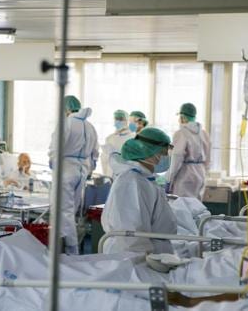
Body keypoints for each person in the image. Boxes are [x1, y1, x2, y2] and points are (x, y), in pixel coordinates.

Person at [101, 127, 177, 254]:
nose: (165, 157)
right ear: (150, 152)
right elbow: (131, 236)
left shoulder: (143, 179)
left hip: (150, 251)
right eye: (163, 153)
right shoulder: (131, 182)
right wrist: (146, 261)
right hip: (132, 258)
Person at [48, 95, 99, 255]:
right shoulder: (90, 126)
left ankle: (71, 251)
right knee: (72, 212)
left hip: (66, 170)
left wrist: (53, 162)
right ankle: (68, 249)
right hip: (82, 172)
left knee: (64, 212)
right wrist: (88, 169)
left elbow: (56, 147)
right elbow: (95, 153)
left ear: (66, 109)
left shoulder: (67, 123)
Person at [166, 103, 211, 199]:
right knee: (197, 207)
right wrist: (204, 172)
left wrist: (168, 178)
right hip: (200, 173)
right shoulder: (203, 133)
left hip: (185, 175)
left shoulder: (181, 133)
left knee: (182, 207)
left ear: (183, 117)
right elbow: (208, 158)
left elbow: (176, 158)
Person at [100, 110, 134, 177]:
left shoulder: (132, 138)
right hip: (111, 173)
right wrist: (106, 174)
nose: (118, 121)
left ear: (127, 121)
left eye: (121, 119)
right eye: (116, 119)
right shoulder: (109, 138)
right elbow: (104, 159)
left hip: (126, 173)